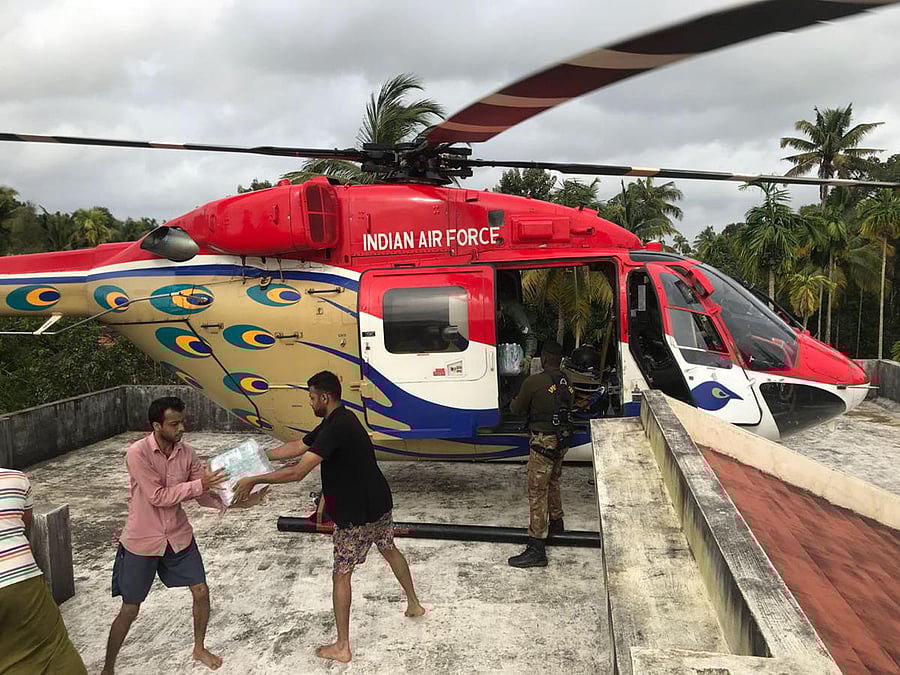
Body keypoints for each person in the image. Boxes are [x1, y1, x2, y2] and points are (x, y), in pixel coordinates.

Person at [232, 370, 425, 664]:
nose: (310, 403)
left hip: (355, 513)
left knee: (341, 574)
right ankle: (414, 604)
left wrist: (253, 479)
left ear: (324, 397)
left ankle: (342, 646)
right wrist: (256, 457)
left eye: (311, 398)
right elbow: (299, 446)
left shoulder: (335, 428)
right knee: (388, 548)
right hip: (378, 503)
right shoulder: (339, 420)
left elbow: (298, 472)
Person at [100, 396, 228, 675]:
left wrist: (235, 499)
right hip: (142, 539)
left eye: (182, 421)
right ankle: (108, 667)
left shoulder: (187, 452)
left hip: (178, 535)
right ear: (157, 425)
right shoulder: (137, 453)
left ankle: (199, 647)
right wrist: (199, 484)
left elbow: (202, 492)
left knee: (201, 591)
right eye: (174, 423)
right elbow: (158, 496)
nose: (181, 428)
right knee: (130, 608)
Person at [0, 467, 87, 674]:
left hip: (18, 583)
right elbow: (26, 527)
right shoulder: (15, 479)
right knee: (53, 650)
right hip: (21, 583)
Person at [507, 340, 574, 568]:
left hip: (542, 442)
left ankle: (537, 547)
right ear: (560, 359)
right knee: (553, 481)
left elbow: (516, 409)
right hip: (562, 440)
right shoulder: (568, 381)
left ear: (544, 359)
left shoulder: (534, 382)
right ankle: (557, 524)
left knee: (537, 490)